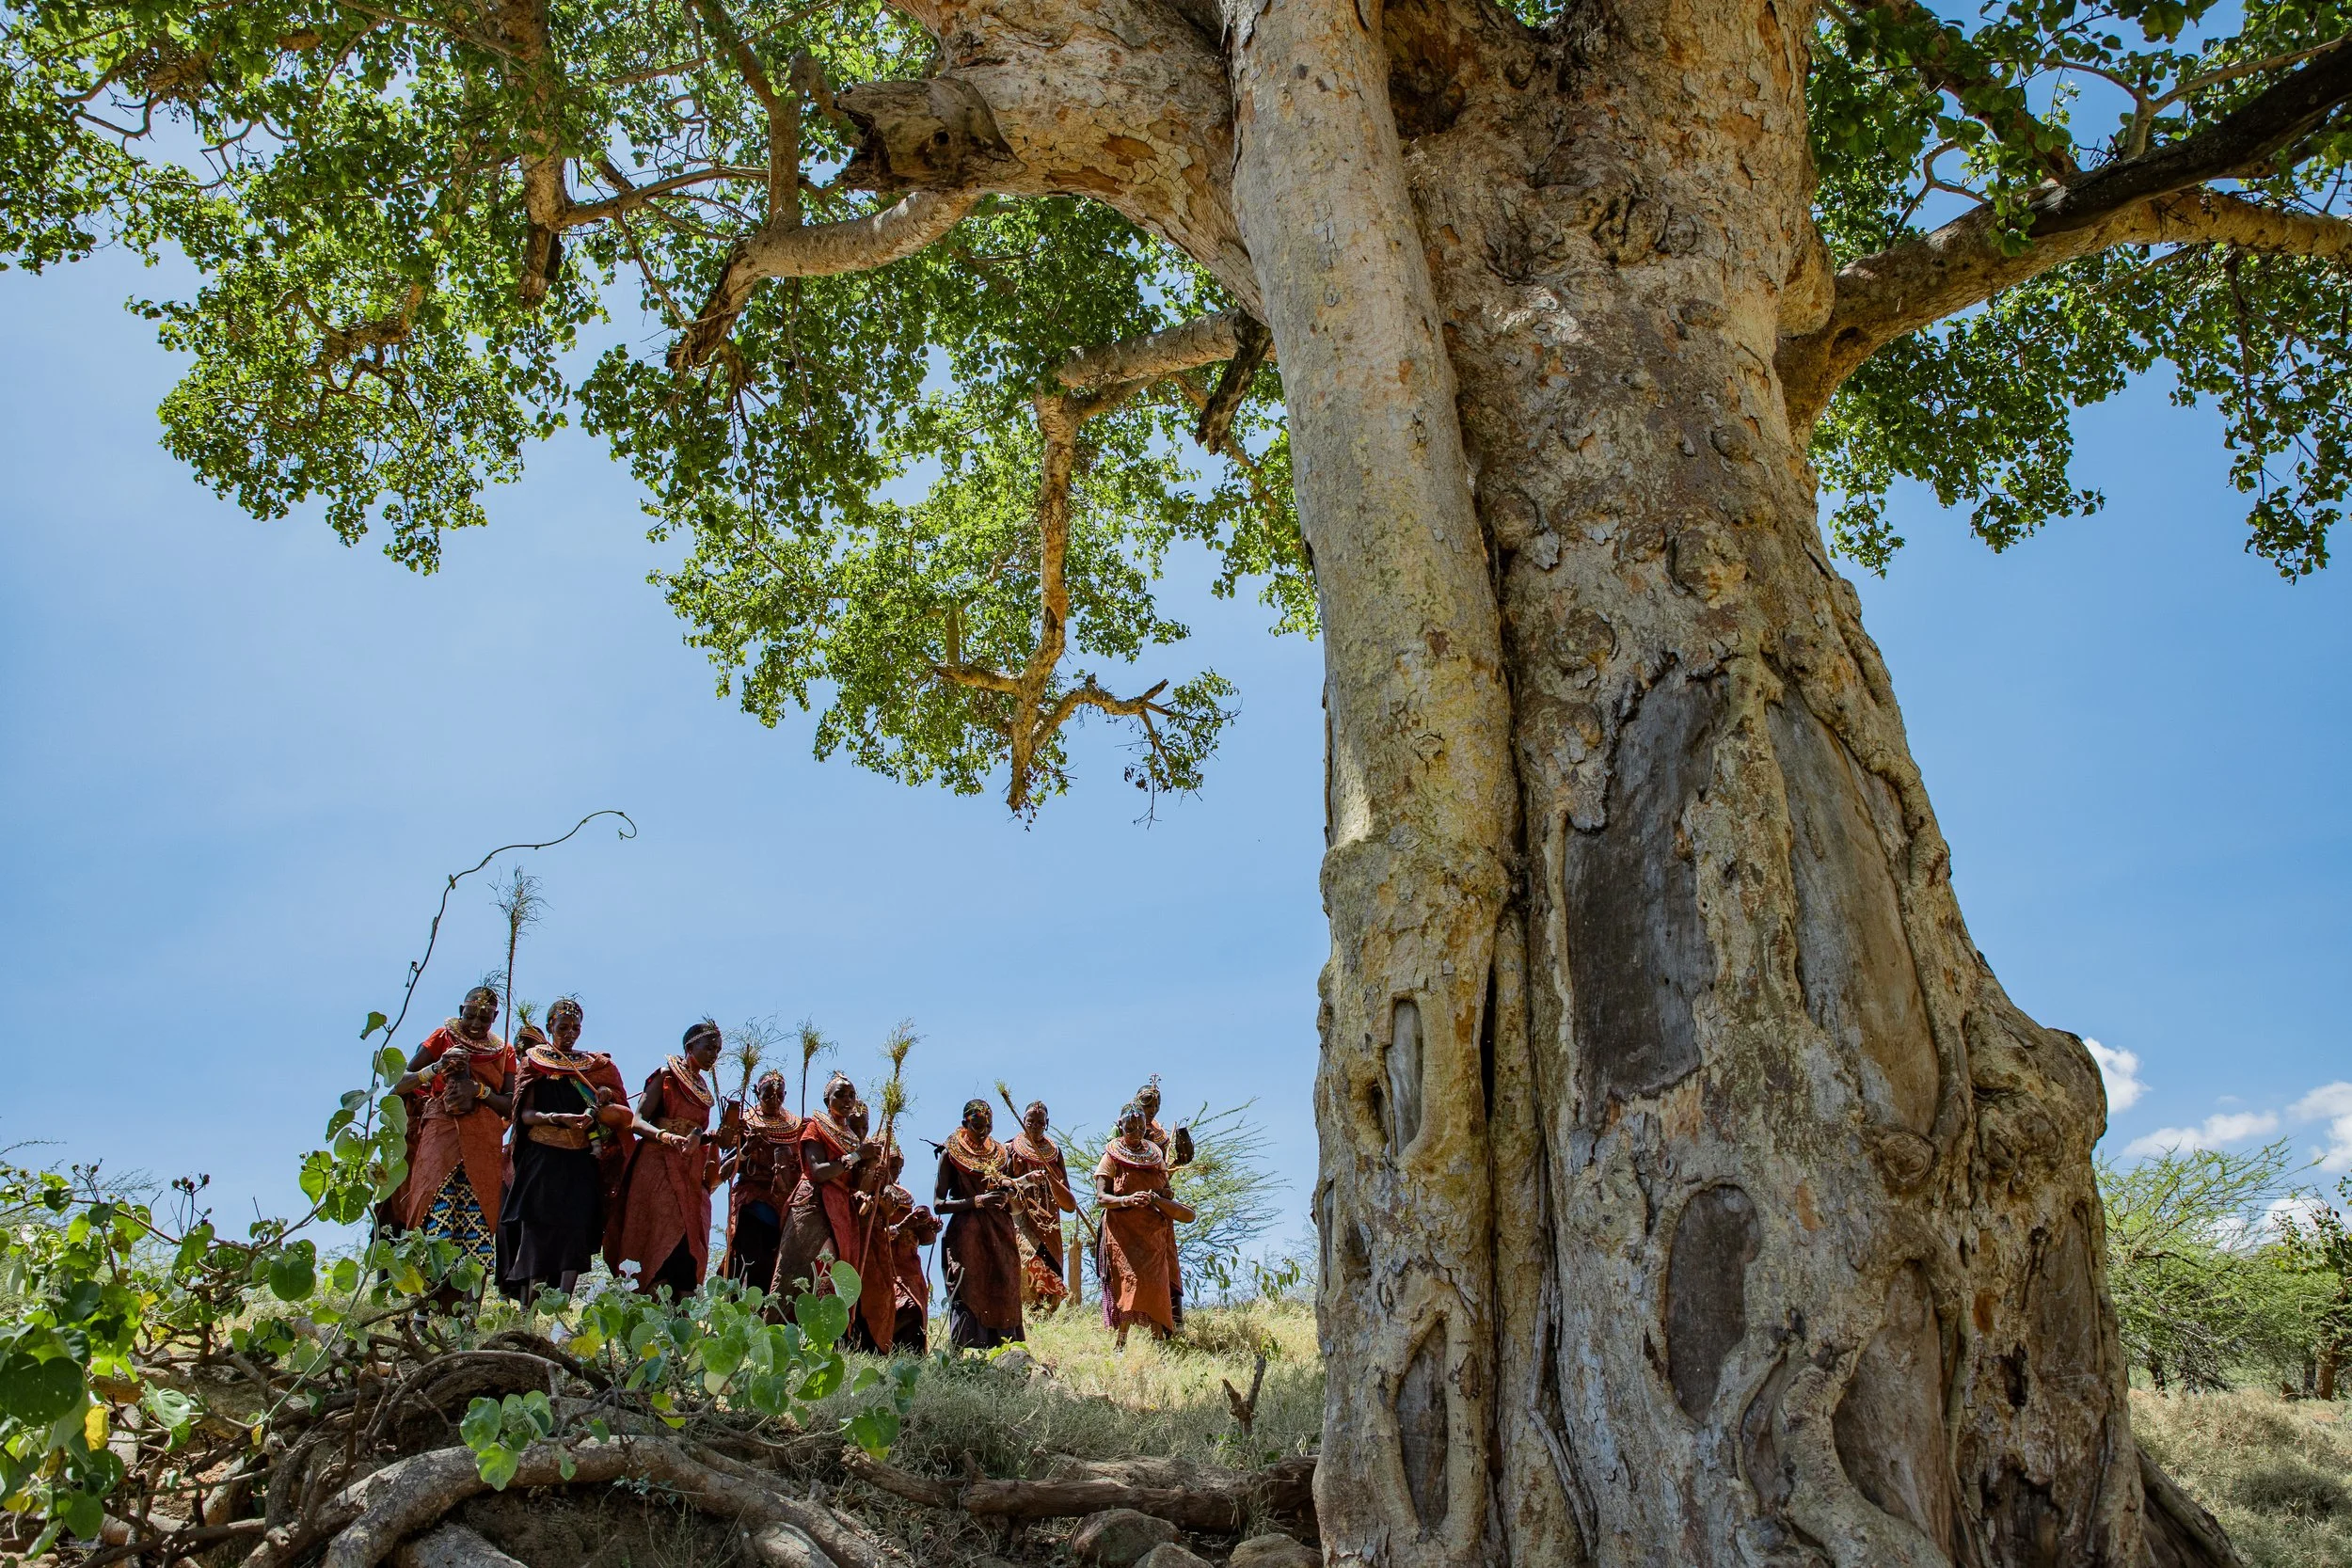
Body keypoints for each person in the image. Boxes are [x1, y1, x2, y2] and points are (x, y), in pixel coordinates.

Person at [497, 998, 633, 1302]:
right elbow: (525, 1115)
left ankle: (559, 1314)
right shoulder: (534, 1062)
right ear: (550, 1028)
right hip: (542, 1161)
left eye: (575, 1028)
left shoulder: (595, 1066)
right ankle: (529, 1313)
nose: (570, 1033)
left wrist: (599, 1106)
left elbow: (618, 1112)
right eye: (563, 1027)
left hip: (579, 1162)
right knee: (538, 1235)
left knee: (574, 1233)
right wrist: (556, 1117)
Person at [392, 985, 516, 1301]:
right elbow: (401, 1083)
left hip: (484, 1139)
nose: (476, 1024)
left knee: (478, 1218)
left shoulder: (505, 1052)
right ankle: (423, 1309)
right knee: (434, 1212)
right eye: (471, 1015)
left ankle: (467, 1314)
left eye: (485, 1018)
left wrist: (479, 1091)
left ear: (496, 1017)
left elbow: (510, 1104)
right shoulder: (441, 1038)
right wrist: (437, 1067)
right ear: (461, 1009)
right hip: (440, 1133)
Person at [608, 1020, 731, 1295]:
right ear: (690, 1046)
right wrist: (667, 1137)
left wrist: (713, 1137)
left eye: (718, 1050)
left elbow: (695, 1133)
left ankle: (681, 1324)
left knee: (689, 1244)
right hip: (658, 1166)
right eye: (709, 1048)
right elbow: (638, 1122)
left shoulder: (704, 1089)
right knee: (661, 1232)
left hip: (689, 1172)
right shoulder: (666, 1077)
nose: (714, 1055)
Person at [771, 1073, 894, 1350]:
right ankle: (782, 1332)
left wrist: (873, 1169)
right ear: (827, 1099)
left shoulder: (851, 1137)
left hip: (841, 1210)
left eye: (851, 1095)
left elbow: (856, 1182)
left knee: (836, 1270)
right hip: (812, 1205)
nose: (847, 1100)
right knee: (806, 1266)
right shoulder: (815, 1127)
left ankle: (826, 1337)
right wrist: (857, 1157)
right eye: (841, 1095)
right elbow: (817, 1171)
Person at [1094, 1101, 1195, 1349]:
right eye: (1130, 1129)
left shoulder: (1155, 1155)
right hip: (1123, 1233)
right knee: (1129, 1282)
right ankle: (1121, 1343)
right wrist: (1127, 1199)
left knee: (1155, 1283)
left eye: (1140, 1129)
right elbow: (1101, 1198)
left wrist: (1161, 1197)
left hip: (1153, 1233)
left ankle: (1158, 1342)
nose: (1136, 1134)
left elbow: (1166, 1189)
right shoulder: (1111, 1156)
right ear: (1121, 1126)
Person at [935, 1099, 1025, 1351]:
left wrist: (1008, 1195)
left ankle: (1009, 1357)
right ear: (965, 1123)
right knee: (968, 1290)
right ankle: (957, 1360)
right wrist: (978, 1201)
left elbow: (1014, 1199)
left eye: (988, 1125)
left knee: (1005, 1286)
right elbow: (938, 1204)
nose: (983, 1130)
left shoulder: (1001, 1154)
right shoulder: (949, 1154)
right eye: (977, 1125)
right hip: (967, 1234)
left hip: (1001, 1233)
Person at [717, 1069, 802, 1294]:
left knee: (773, 1267)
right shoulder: (745, 1123)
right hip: (751, 1205)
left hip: (782, 1207)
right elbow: (724, 1172)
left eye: (779, 1096)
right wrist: (745, 1150)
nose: (774, 1101)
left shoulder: (795, 1126)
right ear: (756, 1093)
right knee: (749, 1261)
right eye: (767, 1096)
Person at [1002, 1100, 1077, 1313]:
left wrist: (1051, 1179)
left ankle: (1043, 1319)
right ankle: (1023, 1316)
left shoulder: (1055, 1153)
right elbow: (1000, 1183)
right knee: (1027, 1264)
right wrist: (1026, 1179)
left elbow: (1069, 1203)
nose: (1035, 1126)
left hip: (1050, 1226)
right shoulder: (1009, 1149)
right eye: (1030, 1121)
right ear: (1023, 1122)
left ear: (1047, 1123)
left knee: (1050, 1276)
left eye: (1040, 1122)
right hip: (1021, 1221)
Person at [1132, 1077, 1193, 1326]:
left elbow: (1165, 1167)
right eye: (1147, 1107)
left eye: (1155, 1107)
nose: (1151, 1111)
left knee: (1164, 1258)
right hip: (1133, 1204)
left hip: (1159, 1205)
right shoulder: (1123, 1127)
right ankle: (1136, 1321)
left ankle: (1169, 1322)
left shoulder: (1159, 1134)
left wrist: (1180, 1160)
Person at [877, 1148, 942, 1354]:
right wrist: (902, 1227)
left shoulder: (905, 1197)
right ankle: (881, 1350)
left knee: (915, 1310)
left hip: (909, 1265)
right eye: (891, 1166)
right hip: (884, 1263)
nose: (896, 1172)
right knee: (898, 1308)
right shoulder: (872, 1193)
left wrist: (929, 1228)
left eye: (899, 1168)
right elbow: (870, 1233)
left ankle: (908, 1358)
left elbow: (924, 1239)